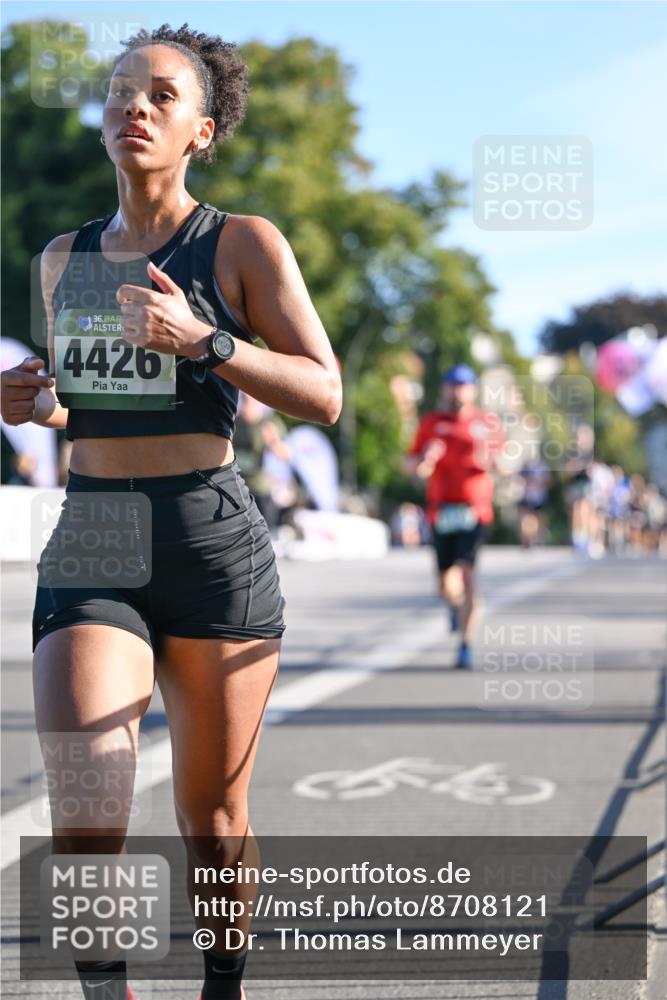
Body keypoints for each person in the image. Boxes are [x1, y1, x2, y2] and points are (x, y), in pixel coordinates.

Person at [1, 24, 341, 1000]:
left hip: (209, 534)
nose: (132, 107)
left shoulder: (240, 243)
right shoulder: (65, 259)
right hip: (96, 530)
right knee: (86, 807)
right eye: (118, 91)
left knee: (213, 817)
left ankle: (222, 985)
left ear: (200, 128)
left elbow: (324, 393)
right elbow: (91, 402)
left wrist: (210, 342)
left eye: (158, 94)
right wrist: (33, 402)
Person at [405, 364, 502, 669]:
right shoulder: (432, 423)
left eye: (463, 385)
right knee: (446, 585)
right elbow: (411, 466)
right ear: (445, 388)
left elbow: (508, 461)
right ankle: (456, 606)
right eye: (453, 385)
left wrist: (493, 460)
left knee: (468, 575)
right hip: (441, 511)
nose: (458, 391)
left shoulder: (487, 422)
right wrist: (425, 459)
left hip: (474, 511)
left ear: (472, 389)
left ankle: (465, 644)